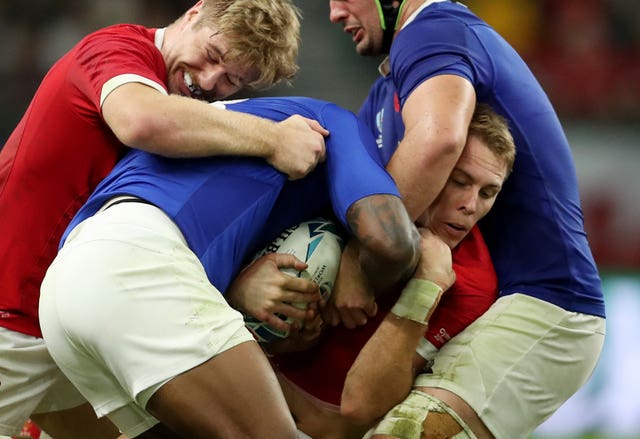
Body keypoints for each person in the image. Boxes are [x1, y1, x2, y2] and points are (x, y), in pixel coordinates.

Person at [0, 1, 328, 438]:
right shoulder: (115, 49)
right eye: (213, 56)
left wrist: (233, 283)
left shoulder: (187, 121)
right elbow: (141, 121)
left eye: (233, 80)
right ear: (193, 15)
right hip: (11, 314)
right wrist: (273, 137)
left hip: (65, 319)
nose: (211, 81)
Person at [38, 96, 421, 439]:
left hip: (66, 287)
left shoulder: (238, 120)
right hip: (137, 263)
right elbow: (390, 242)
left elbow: (209, 217)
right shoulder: (334, 122)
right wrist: (359, 281)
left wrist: (237, 292)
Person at [324, 1, 606, 437]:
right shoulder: (396, 79)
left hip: (546, 305)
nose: (334, 12)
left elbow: (440, 139)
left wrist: (361, 258)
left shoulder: (433, 32)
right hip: (490, 300)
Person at [247, 103, 513, 439]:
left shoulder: (471, 283)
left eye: (488, 193)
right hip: (230, 382)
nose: (470, 205)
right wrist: (239, 292)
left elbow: (361, 406)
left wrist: (425, 289)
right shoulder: (349, 182)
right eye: (459, 181)